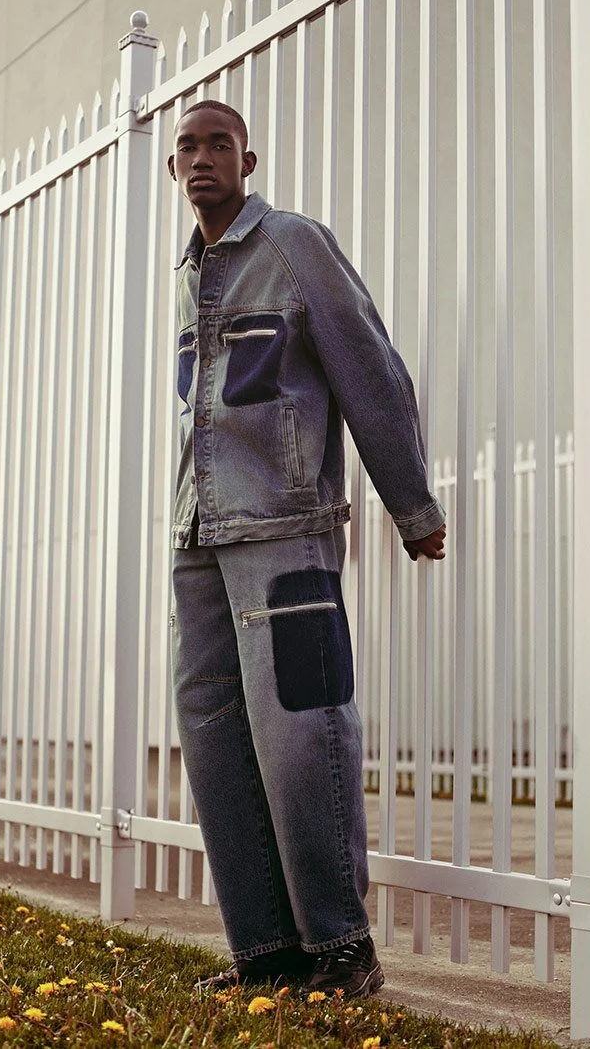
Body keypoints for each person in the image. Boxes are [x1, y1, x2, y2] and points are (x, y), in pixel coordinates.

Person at [166, 100, 446, 999]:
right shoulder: (191, 272)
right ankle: (267, 951)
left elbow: (369, 365)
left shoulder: (292, 244)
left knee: (301, 728)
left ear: (247, 160)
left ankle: (341, 946)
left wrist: (411, 503)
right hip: (201, 536)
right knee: (214, 739)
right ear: (173, 168)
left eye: (219, 144)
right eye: (187, 146)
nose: (202, 158)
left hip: (285, 528)